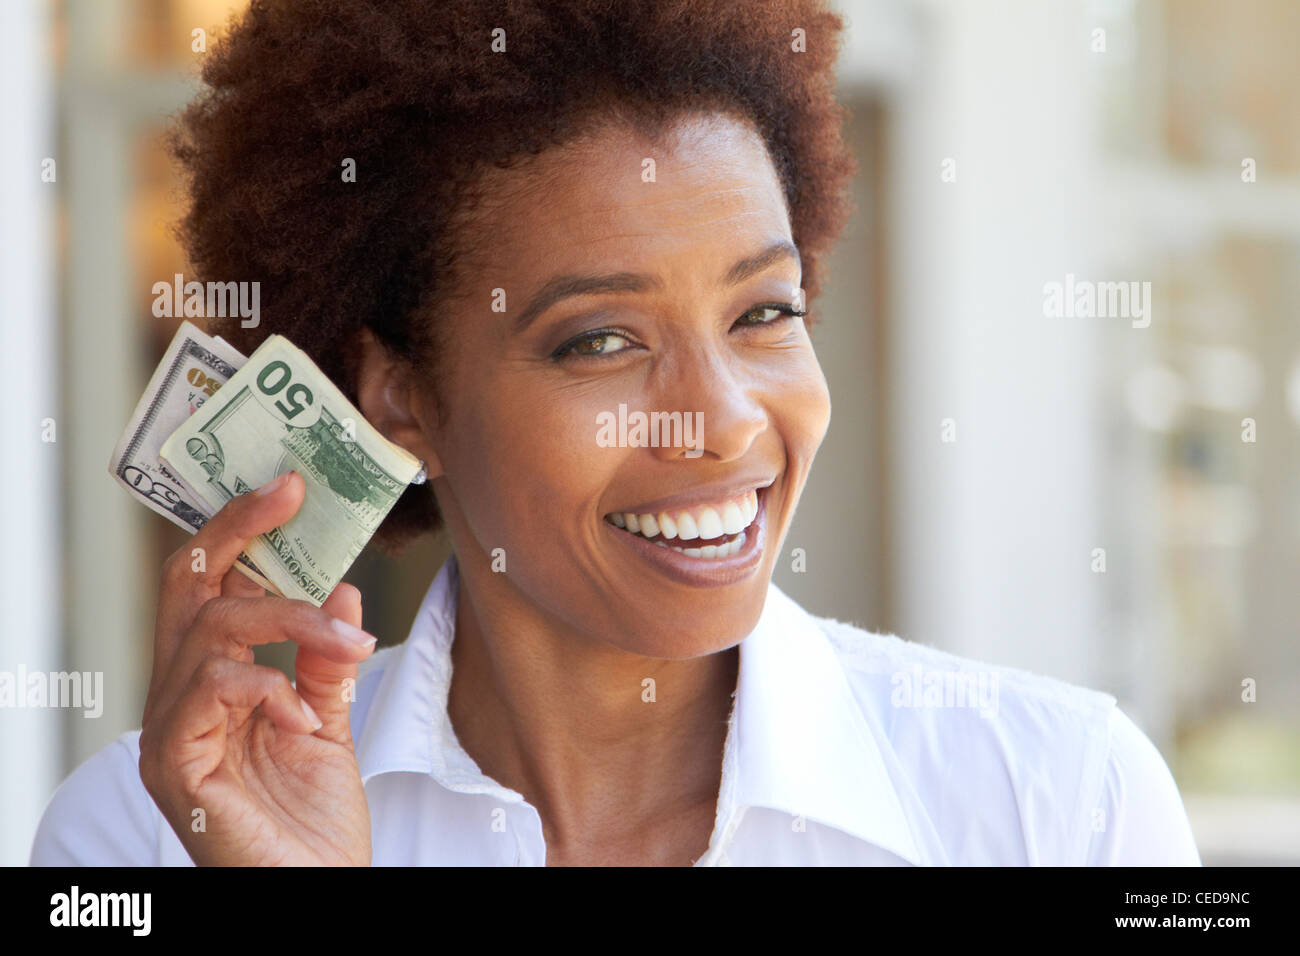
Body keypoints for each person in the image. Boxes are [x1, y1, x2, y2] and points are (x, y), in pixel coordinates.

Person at [31, 0, 1199, 866]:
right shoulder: (141, 836)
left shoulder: (1065, 805)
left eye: (763, 313)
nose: (727, 419)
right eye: (601, 340)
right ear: (400, 400)